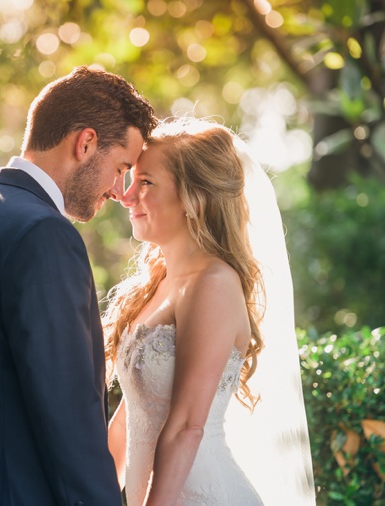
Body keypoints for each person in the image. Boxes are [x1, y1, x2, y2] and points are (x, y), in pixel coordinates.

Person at [0, 66, 157, 505]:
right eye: (120, 167)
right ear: (86, 143)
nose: (119, 192)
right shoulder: (44, 235)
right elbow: (66, 413)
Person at [104, 117, 315, 505]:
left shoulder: (214, 283)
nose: (127, 194)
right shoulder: (159, 284)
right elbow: (128, 420)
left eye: (146, 182)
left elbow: (186, 426)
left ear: (193, 198)